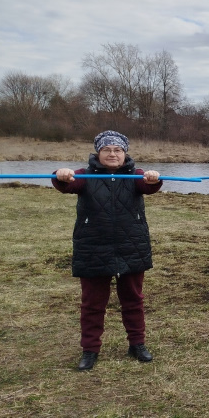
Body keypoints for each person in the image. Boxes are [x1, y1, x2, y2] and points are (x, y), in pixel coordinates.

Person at [52, 130, 162, 371]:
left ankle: (137, 344)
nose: (113, 154)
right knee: (92, 304)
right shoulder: (85, 175)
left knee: (133, 300)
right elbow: (66, 184)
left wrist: (154, 179)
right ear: (98, 153)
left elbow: (149, 186)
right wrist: (61, 175)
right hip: (93, 247)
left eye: (117, 150)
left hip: (131, 246)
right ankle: (90, 350)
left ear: (125, 153)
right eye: (107, 150)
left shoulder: (136, 175)